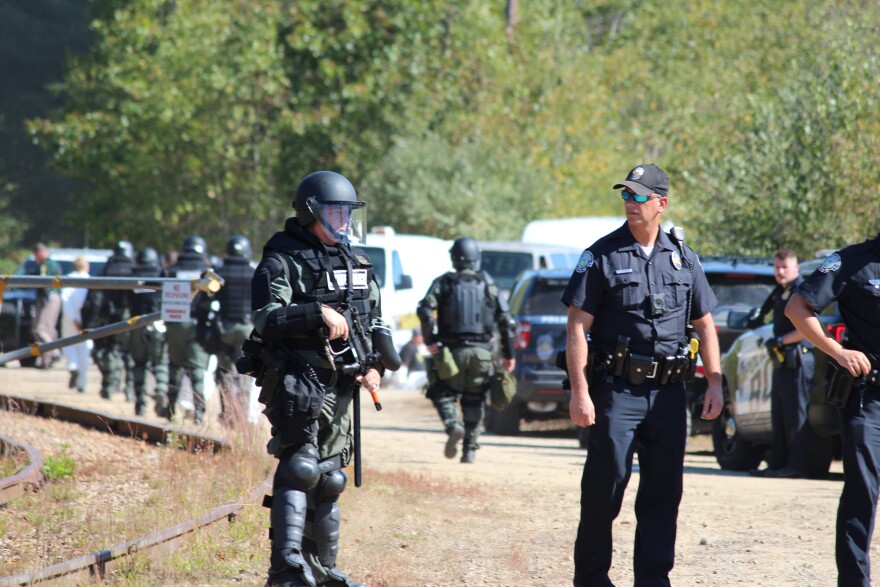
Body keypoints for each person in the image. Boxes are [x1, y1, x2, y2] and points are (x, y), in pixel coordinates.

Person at [562, 163, 723, 587]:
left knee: (664, 493)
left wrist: (715, 382)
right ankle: (592, 578)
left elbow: (705, 324)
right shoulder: (601, 255)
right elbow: (577, 326)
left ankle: (653, 580)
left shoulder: (684, 258)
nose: (630, 204)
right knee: (605, 487)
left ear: (661, 204)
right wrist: (580, 392)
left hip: (669, 394)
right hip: (616, 392)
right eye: (625, 196)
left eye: (638, 196)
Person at [250, 170, 392, 587]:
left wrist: (374, 366)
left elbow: (372, 318)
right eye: (336, 211)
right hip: (299, 379)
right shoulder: (281, 260)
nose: (345, 220)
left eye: (348, 212)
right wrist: (316, 313)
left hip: (344, 383)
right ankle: (286, 570)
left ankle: (322, 568)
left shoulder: (356, 261)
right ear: (311, 213)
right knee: (300, 469)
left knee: (331, 477)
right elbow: (264, 319)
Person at [785, 233, 880, 587]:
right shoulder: (853, 261)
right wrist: (836, 351)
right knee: (863, 490)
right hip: (867, 397)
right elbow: (797, 307)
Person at [417, 237, 516, 464]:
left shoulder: (443, 282)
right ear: (476, 258)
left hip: (450, 353)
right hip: (482, 354)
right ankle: (469, 449)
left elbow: (424, 310)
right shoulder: (489, 283)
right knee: (474, 399)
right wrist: (509, 355)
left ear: (454, 258)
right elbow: (508, 323)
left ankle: (453, 425)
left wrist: (430, 340)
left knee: (442, 392)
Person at [748, 248, 814, 478]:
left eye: (784, 267)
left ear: (796, 268)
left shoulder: (802, 290)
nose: (780, 271)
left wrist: (781, 340)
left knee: (796, 415)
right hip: (782, 360)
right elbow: (760, 317)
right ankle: (778, 464)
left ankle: (797, 466)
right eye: (777, 267)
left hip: (797, 358)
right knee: (780, 414)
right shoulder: (781, 291)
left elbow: (809, 328)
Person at [165, 235, 211, 423]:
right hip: (197, 327)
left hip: (175, 324)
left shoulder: (172, 270)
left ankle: (170, 410)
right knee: (197, 370)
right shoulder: (207, 273)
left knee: (174, 368)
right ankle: (199, 413)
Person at [82, 241, 135, 400]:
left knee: (110, 352)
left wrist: (90, 323)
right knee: (131, 356)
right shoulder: (135, 269)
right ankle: (130, 390)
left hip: (109, 318)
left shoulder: (107, 269)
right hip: (133, 319)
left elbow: (95, 299)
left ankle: (109, 386)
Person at [213, 234, 255, 422]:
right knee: (246, 372)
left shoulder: (219, 273)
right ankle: (242, 414)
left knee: (225, 372)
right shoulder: (253, 272)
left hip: (224, 329)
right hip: (246, 329)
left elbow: (207, 302)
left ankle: (227, 413)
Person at [129, 247, 170, 417]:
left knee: (139, 364)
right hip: (158, 323)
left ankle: (140, 405)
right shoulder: (162, 274)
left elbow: (126, 301)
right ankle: (160, 388)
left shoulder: (132, 276)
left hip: (136, 324)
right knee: (160, 362)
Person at [23, 243, 63, 368]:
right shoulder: (51, 263)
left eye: (35, 256)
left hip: (48, 297)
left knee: (39, 329)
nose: (35, 259)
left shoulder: (46, 264)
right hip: (53, 297)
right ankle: (46, 360)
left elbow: (44, 281)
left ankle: (54, 352)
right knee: (49, 330)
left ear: (40, 253)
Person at [60, 256, 91, 392]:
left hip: (70, 318)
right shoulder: (90, 280)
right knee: (85, 350)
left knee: (69, 345)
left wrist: (73, 319)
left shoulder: (68, 279)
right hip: (85, 319)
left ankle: (72, 367)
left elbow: (65, 301)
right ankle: (81, 384)